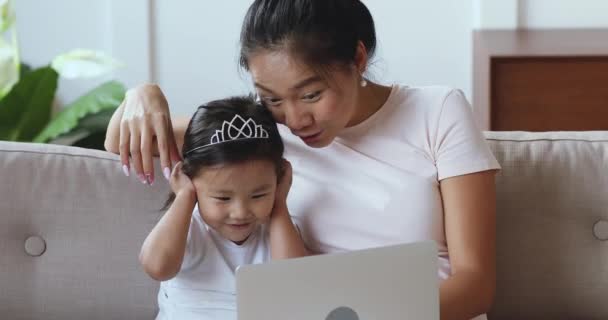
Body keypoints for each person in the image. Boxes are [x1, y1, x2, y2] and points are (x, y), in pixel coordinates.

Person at [105, 1, 500, 319]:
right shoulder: (262, 132)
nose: (294, 120)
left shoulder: (438, 111)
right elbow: (121, 141)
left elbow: (475, 283)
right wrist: (143, 94)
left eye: (311, 95)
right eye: (273, 99)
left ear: (358, 58)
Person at [138, 96, 307, 319]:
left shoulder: (275, 230)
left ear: (279, 181)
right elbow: (157, 267)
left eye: (259, 195)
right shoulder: (189, 228)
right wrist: (184, 196)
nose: (240, 212)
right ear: (189, 179)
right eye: (223, 198)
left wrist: (278, 205)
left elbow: (294, 282)